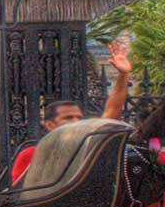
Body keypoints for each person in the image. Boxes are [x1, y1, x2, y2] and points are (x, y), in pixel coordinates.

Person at [8, 36, 135, 184]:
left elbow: (112, 111)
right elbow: (20, 196)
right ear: (50, 124)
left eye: (79, 118)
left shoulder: (88, 149)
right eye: (68, 118)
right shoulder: (31, 155)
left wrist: (123, 75)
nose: (76, 122)